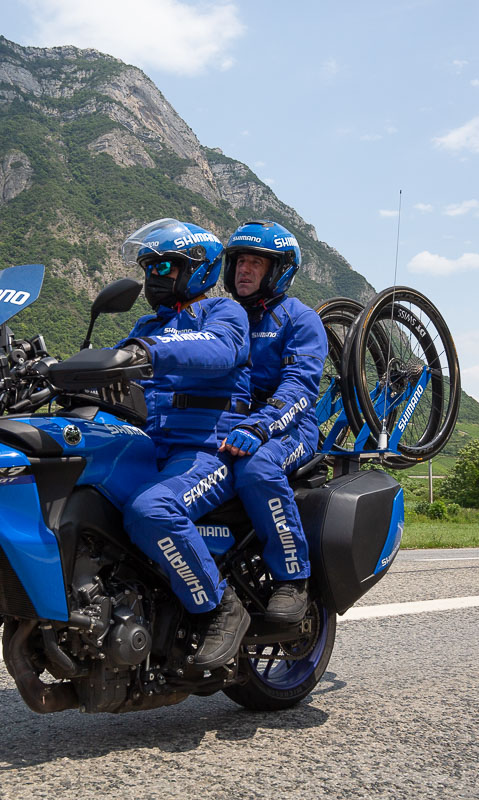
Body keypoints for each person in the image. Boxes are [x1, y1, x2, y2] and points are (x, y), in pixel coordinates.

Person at [116, 218, 252, 670]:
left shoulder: (223, 314)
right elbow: (109, 368)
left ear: (198, 269)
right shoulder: (146, 324)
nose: (155, 277)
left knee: (152, 510)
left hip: (206, 451)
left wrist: (150, 350)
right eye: (149, 268)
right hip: (146, 449)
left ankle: (220, 607)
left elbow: (217, 348)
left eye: (166, 267)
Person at [219, 220, 327, 622]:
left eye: (256, 263)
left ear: (278, 270)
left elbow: (300, 387)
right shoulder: (222, 316)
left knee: (257, 470)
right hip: (230, 425)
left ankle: (291, 577)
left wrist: (260, 426)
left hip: (289, 428)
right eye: (240, 261)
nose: (244, 270)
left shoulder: (299, 319)